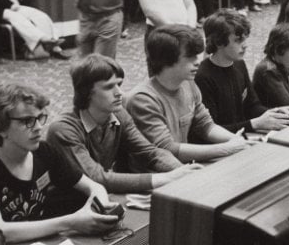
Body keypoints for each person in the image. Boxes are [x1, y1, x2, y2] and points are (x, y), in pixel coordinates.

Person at [0, 84, 121, 243]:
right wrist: (70, 222)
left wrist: (101, 209)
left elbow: (95, 187)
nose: (38, 128)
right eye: (27, 121)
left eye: (39, 118)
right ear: (0, 127)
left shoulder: (44, 152)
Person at [46, 55, 199, 193]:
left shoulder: (118, 114)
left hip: (101, 198)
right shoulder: (63, 129)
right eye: (108, 87)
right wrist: (166, 178)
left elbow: (150, 153)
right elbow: (96, 177)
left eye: (119, 84)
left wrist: (182, 171)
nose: (119, 92)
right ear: (86, 92)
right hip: (68, 208)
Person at [126, 25, 250, 162]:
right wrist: (227, 148)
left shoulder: (188, 83)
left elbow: (205, 125)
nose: (197, 62)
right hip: (158, 175)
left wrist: (238, 140)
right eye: (190, 57)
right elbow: (167, 148)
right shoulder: (143, 99)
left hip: (182, 167)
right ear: (166, 59)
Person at [195, 9, 289, 132]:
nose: (245, 45)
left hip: (243, 135)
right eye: (238, 40)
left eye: (245, 39)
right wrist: (254, 124)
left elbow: (252, 106)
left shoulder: (239, 64)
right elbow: (212, 129)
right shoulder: (203, 76)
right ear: (218, 42)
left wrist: (275, 113)